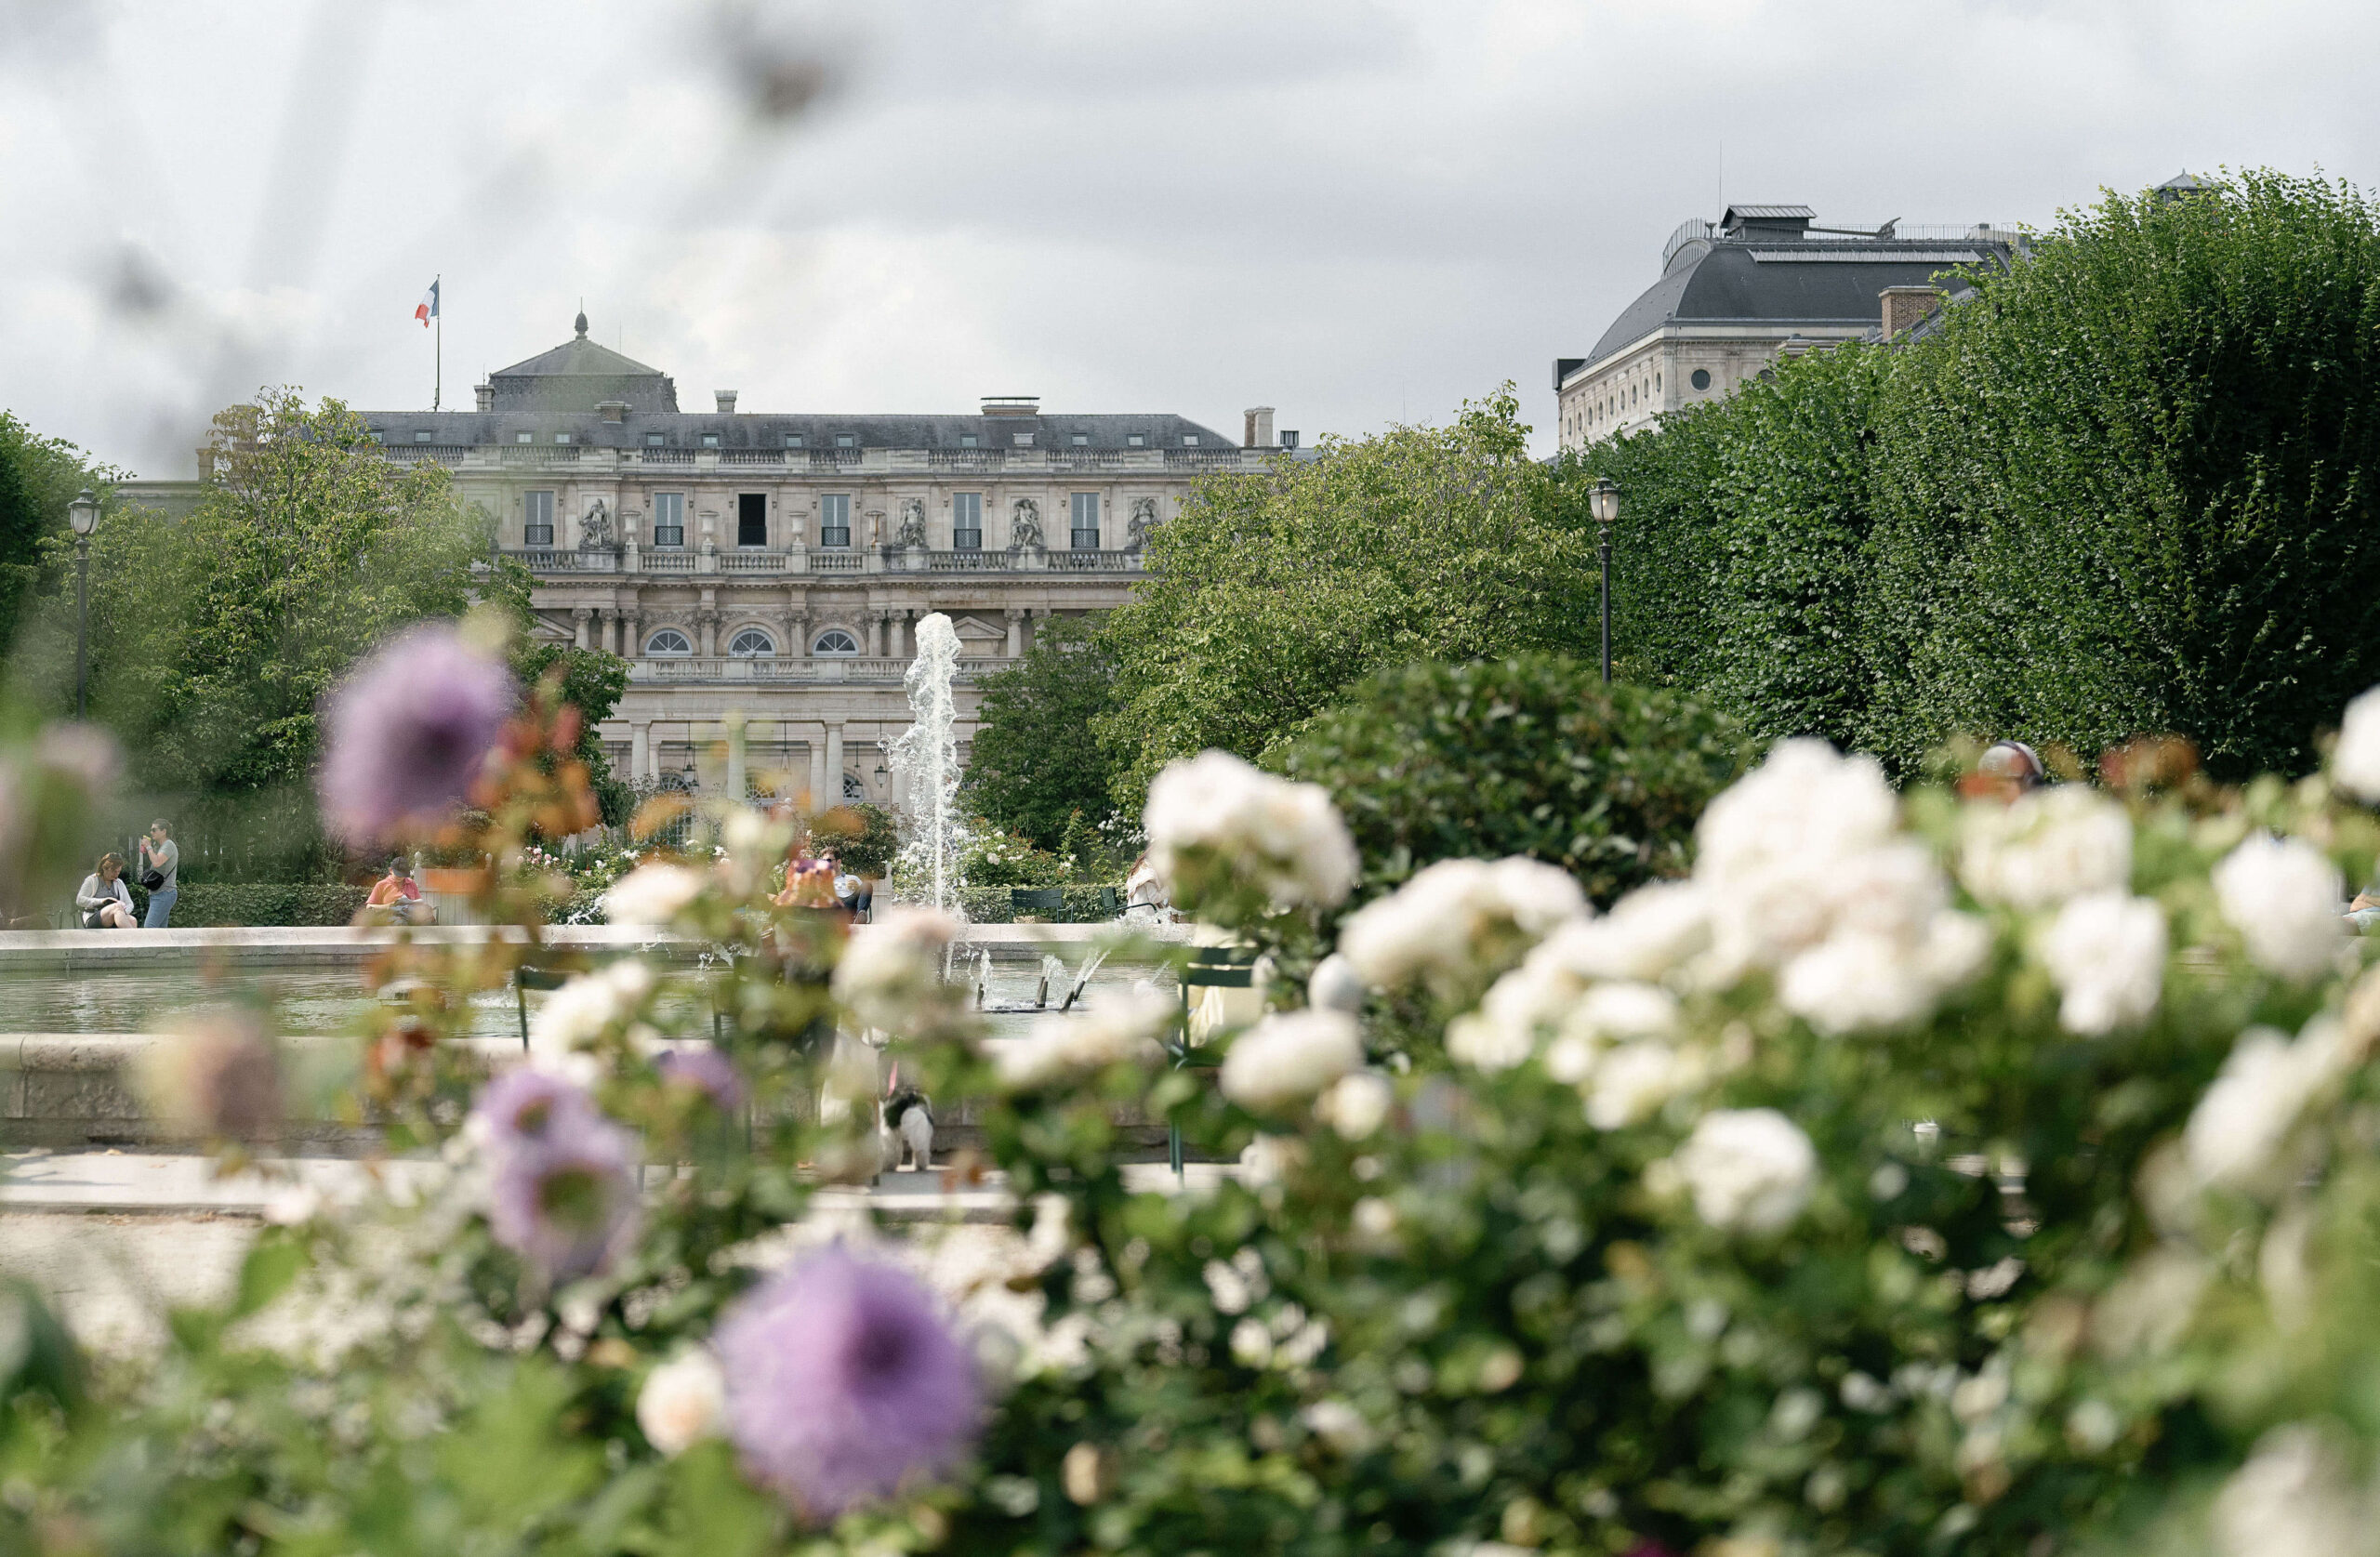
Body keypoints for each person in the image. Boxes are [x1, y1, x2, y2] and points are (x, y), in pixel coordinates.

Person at [75, 853, 137, 930]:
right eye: (114, 871)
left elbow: (130, 904)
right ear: (104, 868)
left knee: (132, 920)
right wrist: (102, 901)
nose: (116, 875)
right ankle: (135, 940)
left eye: (118, 872)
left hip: (114, 916)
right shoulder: (92, 880)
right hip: (93, 917)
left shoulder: (119, 882)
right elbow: (79, 900)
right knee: (116, 907)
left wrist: (122, 912)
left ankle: (128, 941)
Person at [137, 819, 178, 929]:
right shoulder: (161, 846)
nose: (151, 832)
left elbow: (156, 862)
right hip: (160, 893)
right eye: (151, 830)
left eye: (154, 830)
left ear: (164, 831)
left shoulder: (168, 845)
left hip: (164, 892)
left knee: (149, 929)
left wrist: (149, 846)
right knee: (161, 932)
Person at [364, 858, 432, 925]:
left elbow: (419, 902)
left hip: (410, 915)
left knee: (427, 915)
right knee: (401, 923)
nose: (400, 877)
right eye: (398, 874)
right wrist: (389, 906)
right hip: (391, 916)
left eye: (403, 874)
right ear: (390, 870)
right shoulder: (381, 885)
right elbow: (369, 906)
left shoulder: (411, 883)